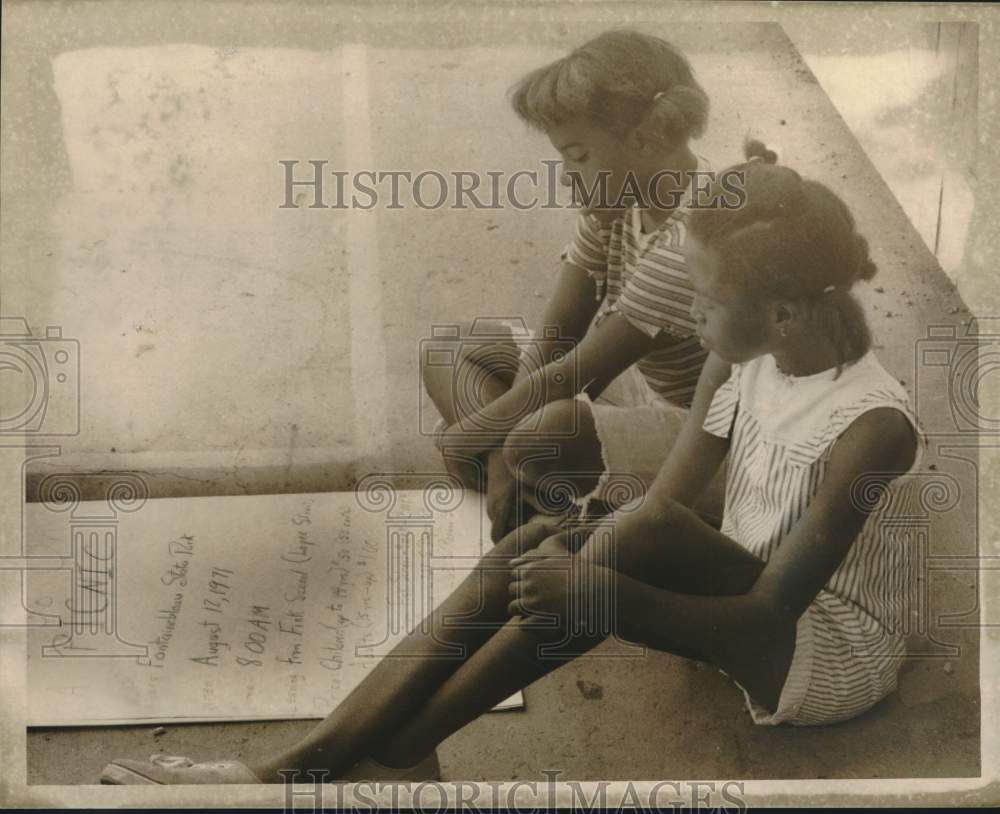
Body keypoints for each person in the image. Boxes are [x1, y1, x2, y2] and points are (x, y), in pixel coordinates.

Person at [101, 143, 923, 784]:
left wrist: (602, 588)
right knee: (535, 552)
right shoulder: (741, 359)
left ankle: (367, 761)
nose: (691, 315)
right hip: (739, 582)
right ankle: (319, 760)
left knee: (593, 562)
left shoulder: (875, 427)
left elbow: (768, 617)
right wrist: (577, 544)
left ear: (780, 312)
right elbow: (658, 515)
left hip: (823, 648)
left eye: (703, 300)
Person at [423, 29, 721, 542]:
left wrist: (468, 440)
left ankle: (555, 503)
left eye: (579, 156)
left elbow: (578, 376)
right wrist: (500, 452)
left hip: (714, 442)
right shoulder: (618, 201)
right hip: (651, 398)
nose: (567, 176)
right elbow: (560, 331)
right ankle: (532, 487)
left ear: (647, 141)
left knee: (546, 431)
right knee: (450, 351)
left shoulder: (693, 237)